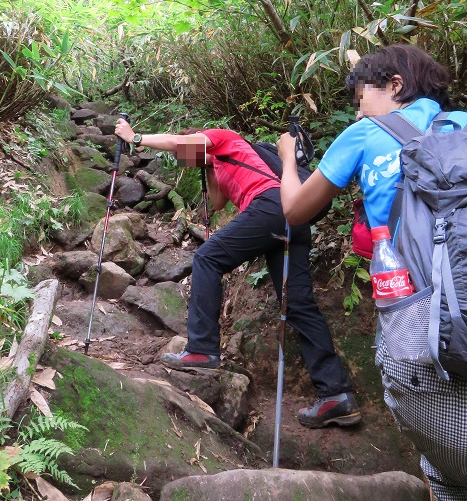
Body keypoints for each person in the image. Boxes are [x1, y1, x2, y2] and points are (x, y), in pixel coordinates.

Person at [277, 44, 467, 500]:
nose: (358, 109)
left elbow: (295, 210)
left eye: (360, 97)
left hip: (416, 326)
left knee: (448, 477)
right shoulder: (461, 125)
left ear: (394, 86)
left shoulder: (363, 134)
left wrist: (288, 156)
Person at [114, 118, 360, 428]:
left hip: (272, 204)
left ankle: (202, 350)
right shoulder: (218, 163)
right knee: (296, 303)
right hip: (289, 219)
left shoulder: (224, 137)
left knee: (206, 259)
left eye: (189, 150)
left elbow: (180, 143)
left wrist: (136, 137)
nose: (186, 157)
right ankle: (336, 394)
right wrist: (206, 169)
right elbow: (216, 203)